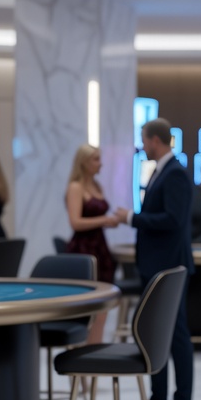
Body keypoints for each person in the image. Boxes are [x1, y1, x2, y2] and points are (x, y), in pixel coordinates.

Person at [121, 118, 195, 400]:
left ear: (155, 140)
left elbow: (172, 220)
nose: (142, 146)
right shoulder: (161, 171)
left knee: (175, 333)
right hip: (155, 265)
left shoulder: (175, 173)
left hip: (169, 267)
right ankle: (158, 399)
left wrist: (131, 218)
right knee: (155, 332)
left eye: (144, 140)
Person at [64, 144, 121, 343]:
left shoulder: (97, 186)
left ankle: (95, 350)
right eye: (96, 159)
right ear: (84, 162)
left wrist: (109, 222)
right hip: (83, 249)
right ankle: (85, 351)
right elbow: (75, 222)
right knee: (87, 306)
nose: (101, 164)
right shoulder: (75, 187)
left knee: (102, 307)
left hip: (100, 247)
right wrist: (104, 220)